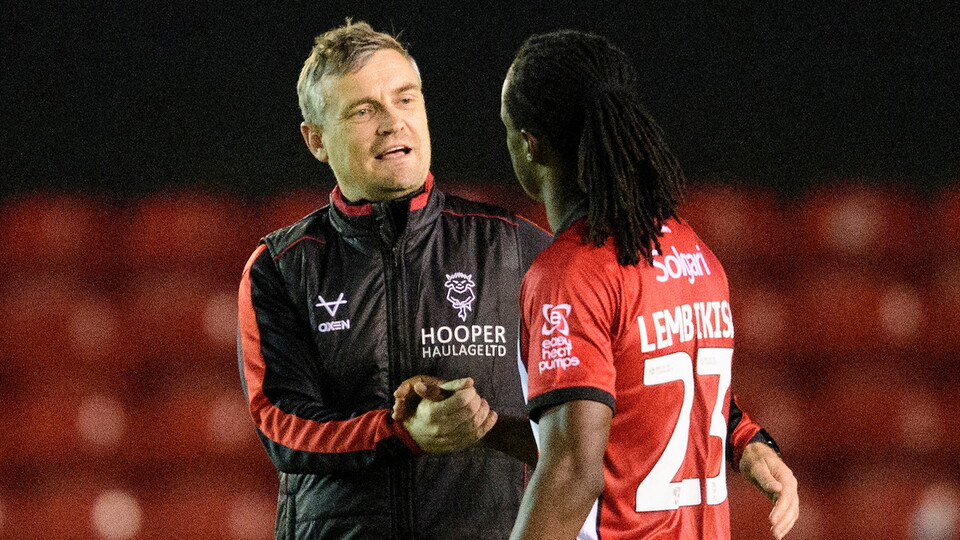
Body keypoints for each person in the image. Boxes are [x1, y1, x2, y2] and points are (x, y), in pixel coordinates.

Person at [237, 20, 551, 539]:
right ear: (316, 140)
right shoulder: (280, 267)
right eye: (363, 111)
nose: (392, 124)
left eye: (405, 100)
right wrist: (400, 431)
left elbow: (632, 366)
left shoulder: (517, 247)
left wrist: (737, 432)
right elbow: (282, 426)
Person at [500, 30, 800, 539]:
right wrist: (746, 437)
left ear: (529, 144)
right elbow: (652, 404)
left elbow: (574, 470)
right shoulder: (696, 253)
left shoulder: (571, 273)